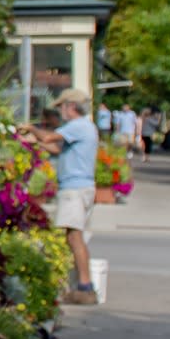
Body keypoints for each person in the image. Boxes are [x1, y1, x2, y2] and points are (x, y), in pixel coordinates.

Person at [37, 90, 100, 303]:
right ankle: (81, 284)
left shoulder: (78, 126)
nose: (60, 111)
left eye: (61, 107)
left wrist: (30, 130)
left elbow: (48, 137)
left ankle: (85, 286)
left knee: (75, 237)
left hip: (75, 189)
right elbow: (55, 148)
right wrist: (33, 141)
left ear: (71, 106)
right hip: (78, 187)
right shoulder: (83, 128)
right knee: (73, 236)